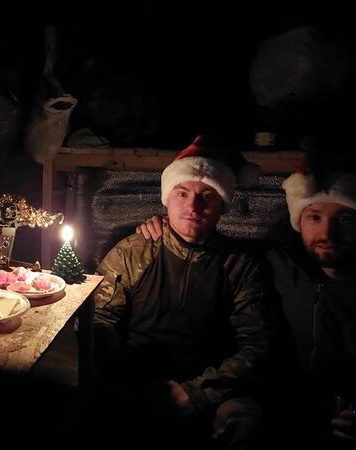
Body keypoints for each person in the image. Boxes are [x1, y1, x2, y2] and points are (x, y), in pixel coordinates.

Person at [137, 153, 356, 448]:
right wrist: (165, 227)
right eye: (315, 217)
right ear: (299, 221)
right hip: (284, 413)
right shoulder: (277, 265)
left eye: (345, 219)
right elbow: (204, 239)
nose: (328, 232)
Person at [92, 135, 274, 448]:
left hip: (212, 388)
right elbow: (100, 317)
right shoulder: (134, 252)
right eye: (182, 193)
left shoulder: (239, 266)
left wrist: (197, 392)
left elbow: (257, 345)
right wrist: (128, 377)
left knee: (245, 423)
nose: (192, 206)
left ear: (222, 206)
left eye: (207, 196)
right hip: (138, 379)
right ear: (167, 199)